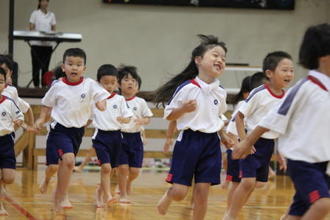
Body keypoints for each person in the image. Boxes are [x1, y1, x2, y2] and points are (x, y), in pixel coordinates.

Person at [233, 23, 330, 220]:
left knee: (296, 212)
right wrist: (246, 142)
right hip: (303, 161)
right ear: (324, 56)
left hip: (322, 161)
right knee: (323, 203)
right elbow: (271, 120)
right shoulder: (304, 88)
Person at [154, 34, 231, 220]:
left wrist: (224, 136)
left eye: (223, 58)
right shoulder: (187, 87)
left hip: (211, 144)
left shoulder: (220, 92)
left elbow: (218, 117)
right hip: (189, 141)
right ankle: (169, 196)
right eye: (215, 55)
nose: (220, 60)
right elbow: (169, 115)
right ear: (198, 60)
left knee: (203, 192)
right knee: (180, 192)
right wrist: (183, 109)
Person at [34, 48, 109, 213]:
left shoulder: (89, 84)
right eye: (70, 64)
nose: (74, 67)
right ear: (63, 67)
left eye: (78, 64)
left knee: (64, 166)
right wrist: (41, 119)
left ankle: (60, 193)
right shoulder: (58, 86)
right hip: (59, 130)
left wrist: (101, 104)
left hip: (77, 132)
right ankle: (58, 197)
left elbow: (101, 96)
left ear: (84, 68)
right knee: (67, 161)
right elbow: (47, 104)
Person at [223, 51, 294, 220]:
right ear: (269, 73)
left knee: (260, 183)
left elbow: (282, 128)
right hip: (252, 142)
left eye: (291, 70)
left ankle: (236, 208)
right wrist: (243, 141)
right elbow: (240, 116)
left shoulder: (288, 97)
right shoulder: (259, 92)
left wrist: (282, 154)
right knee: (247, 182)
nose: (289, 74)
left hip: (268, 145)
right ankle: (230, 215)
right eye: (284, 70)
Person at [223, 73, 268, 211]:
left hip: (252, 149)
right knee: (238, 184)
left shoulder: (264, 106)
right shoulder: (244, 106)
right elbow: (231, 131)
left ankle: (235, 210)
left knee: (253, 184)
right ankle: (230, 212)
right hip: (239, 150)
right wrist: (239, 147)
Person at [92, 64, 133, 208]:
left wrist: (124, 119)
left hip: (116, 137)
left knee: (113, 169)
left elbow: (128, 116)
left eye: (112, 82)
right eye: (105, 82)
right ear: (98, 83)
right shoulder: (94, 99)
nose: (109, 86)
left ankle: (99, 192)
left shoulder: (120, 99)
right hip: (101, 137)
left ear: (117, 83)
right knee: (106, 168)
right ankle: (108, 196)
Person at [117, 65, 153, 203]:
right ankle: (123, 195)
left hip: (136, 138)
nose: (130, 82)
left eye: (134, 81)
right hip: (121, 137)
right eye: (126, 80)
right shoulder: (116, 101)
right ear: (119, 84)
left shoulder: (141, 102)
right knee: (123, 168)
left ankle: (128, 183)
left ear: (137, 87)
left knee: (135, 171)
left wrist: (143, 120)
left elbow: (148, 118)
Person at [0, 68, 24, 216]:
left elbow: (20, 117)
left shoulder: (8, 102)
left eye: (1, 82)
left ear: (4, 85)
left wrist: (18, 122)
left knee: (8, 178)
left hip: (6, 142)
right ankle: (0, 206)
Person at [29, 0, 56, 87]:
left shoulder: (51, 15)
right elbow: (31, 27)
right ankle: (36, 85)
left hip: (47, 44)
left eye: (46, 1)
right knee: (36, 66)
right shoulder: (35, 13)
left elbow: (53, 29)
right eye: (43, 1)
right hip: (36, 44)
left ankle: (44, 86)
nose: (45, 3)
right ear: (39, 2)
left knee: (45, 67)